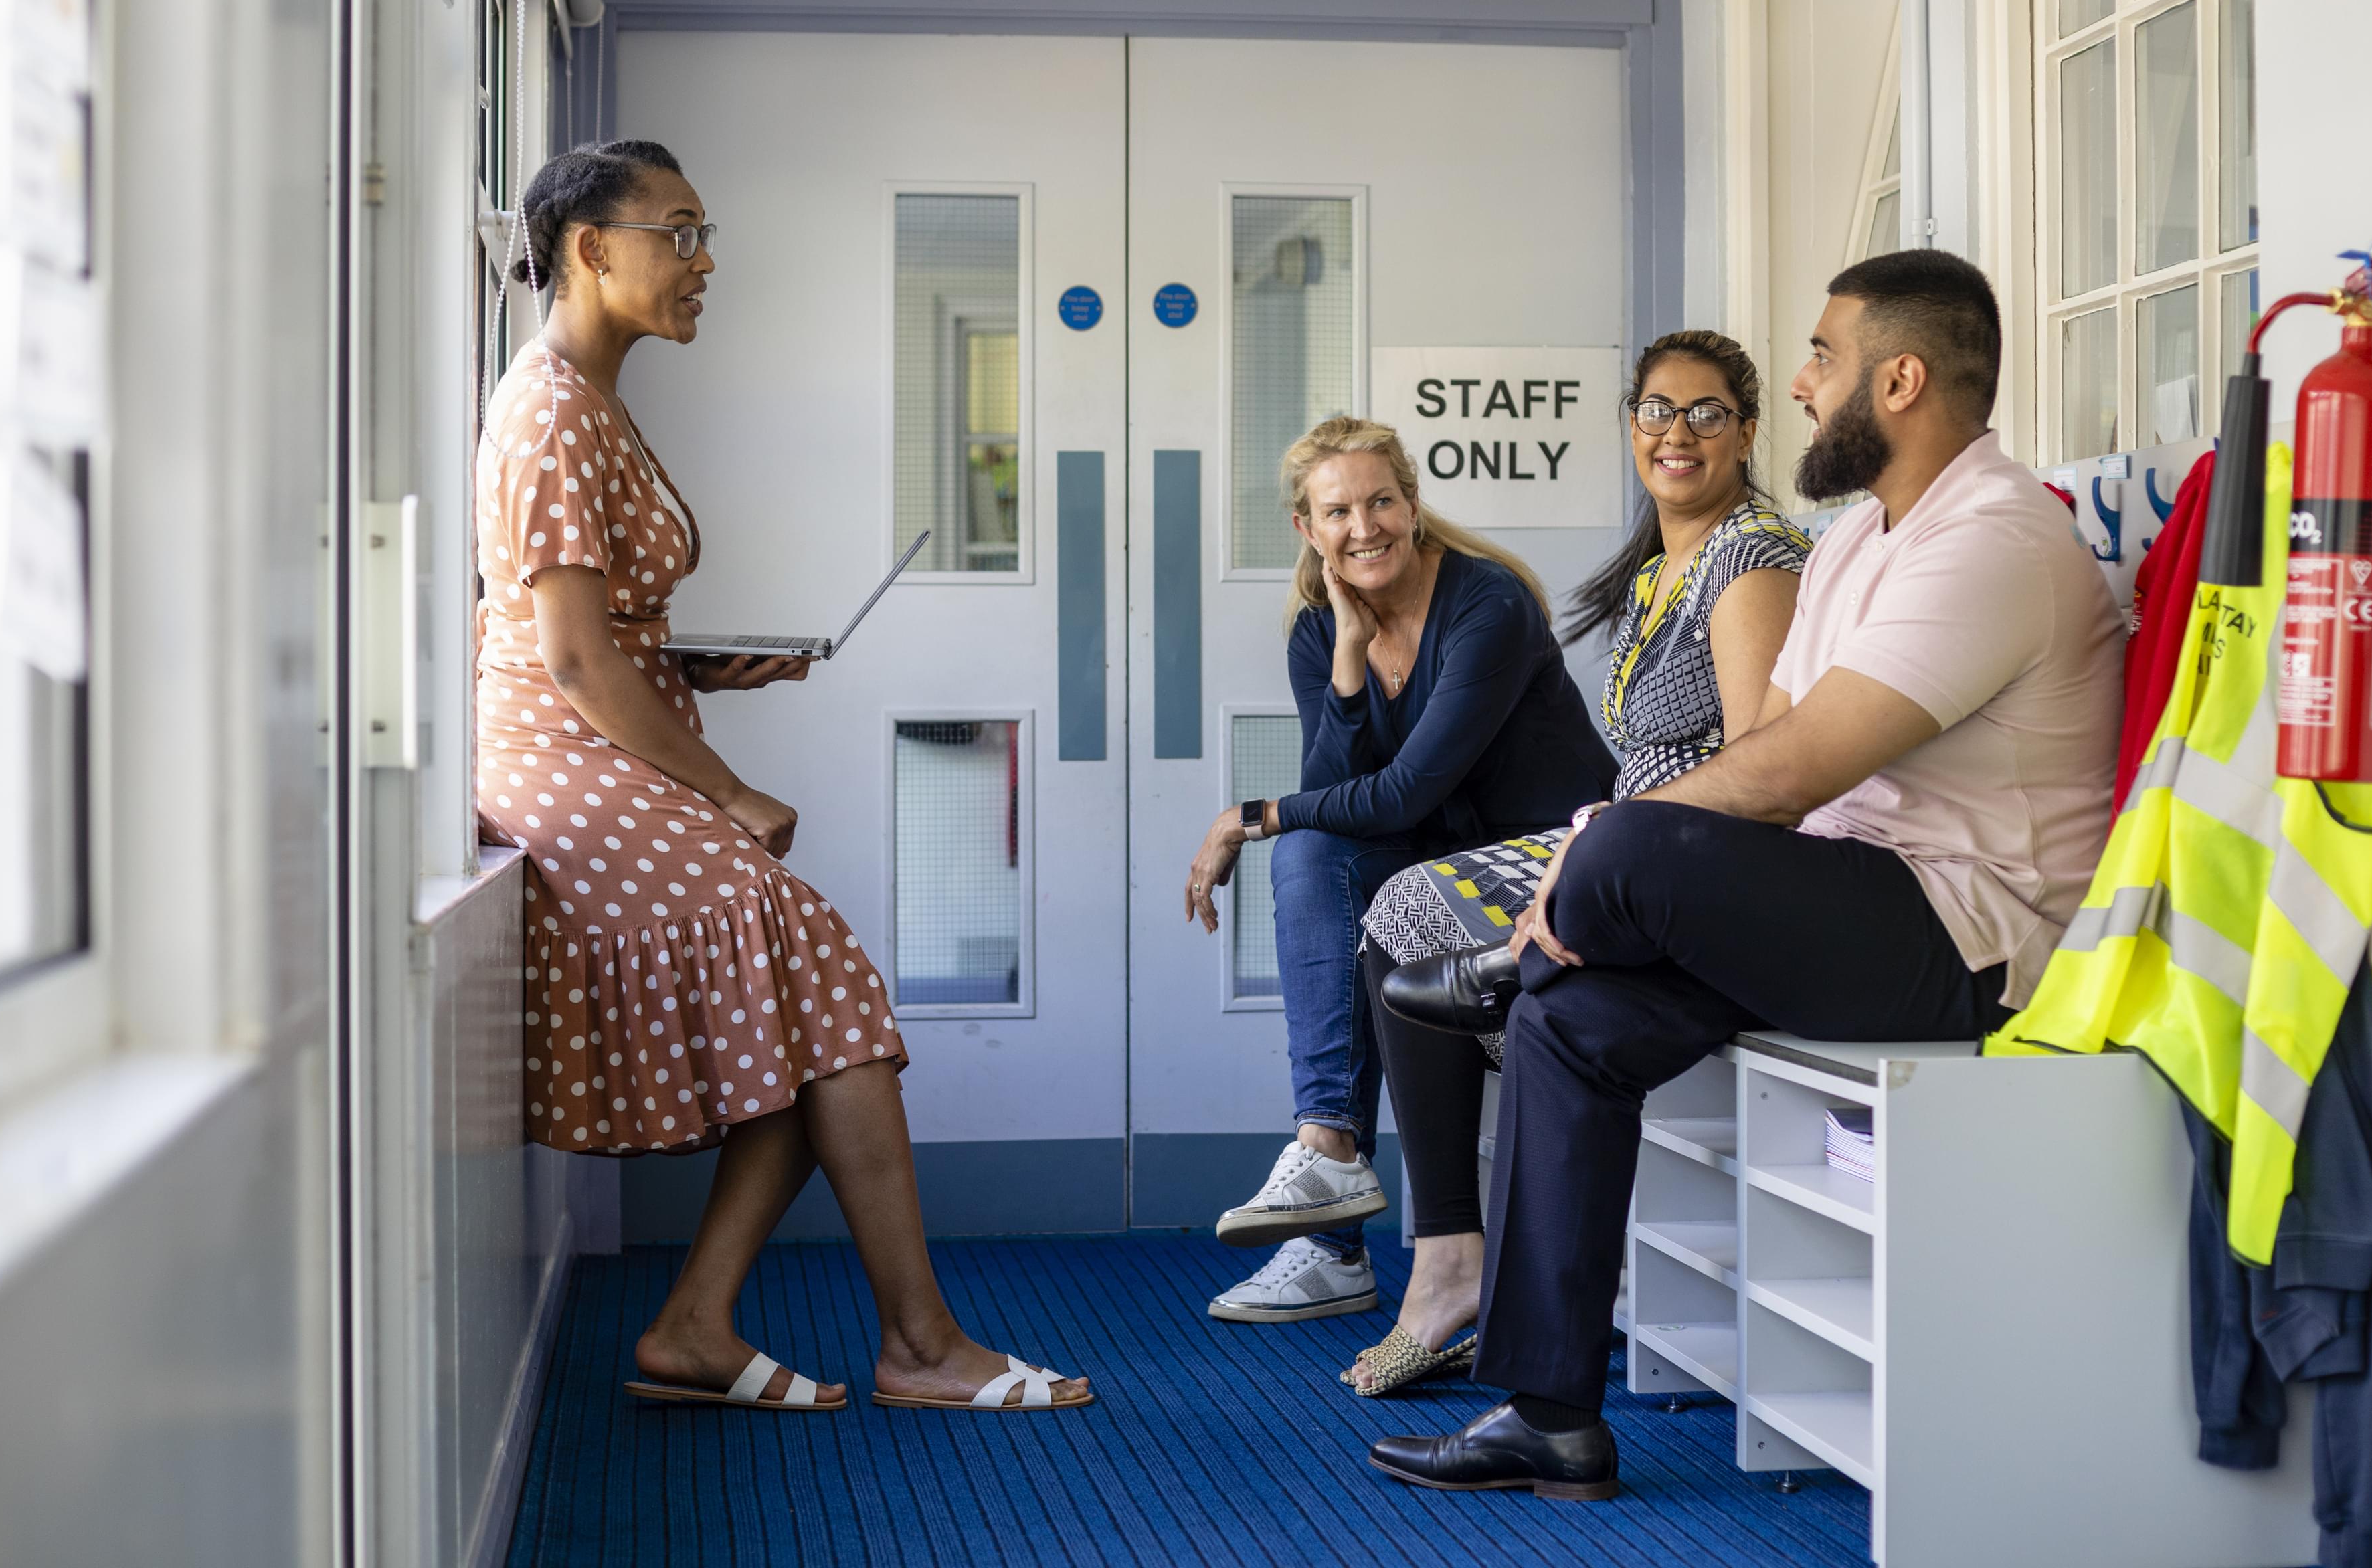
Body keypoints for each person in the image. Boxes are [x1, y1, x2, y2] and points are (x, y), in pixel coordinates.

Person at [1369, 250, 2122, 1497]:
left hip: (1964, 936)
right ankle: (1549, 1412)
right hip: (1840, 899)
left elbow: (1789, 775)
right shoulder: (1852, 541)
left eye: (1824, 359)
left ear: (1901, 378)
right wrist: (1611, 853)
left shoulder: (1991, 537)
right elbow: (1766, 746)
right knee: (1573, 1018)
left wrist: (1606, 853)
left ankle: (1508, 962)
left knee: (1624, 839)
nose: (1808, 383)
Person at [477, 139, 1089, 1413]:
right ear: (591, 248)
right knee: (828, 988)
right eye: (679, 232)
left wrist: (696, 664)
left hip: (599, 735)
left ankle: (703, 1324)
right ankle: (913, 1345)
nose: (705, 263)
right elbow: (576, 661)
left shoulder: (588, 398)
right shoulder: (545, 409)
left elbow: (603, 633)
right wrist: (725, 789)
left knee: (814, 1005)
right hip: (562, 755)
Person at [1341, 330, 1809, 1396]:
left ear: (1746, 429)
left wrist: (1606, 847)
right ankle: (1456, 1257)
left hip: (1687, 859)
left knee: (1414, 915)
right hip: (1627, 835)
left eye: (1705, 413)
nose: (1675, 434)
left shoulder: (1752, 559)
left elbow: (1756, 765)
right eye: (1655, 410)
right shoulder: (1662, 560)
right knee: (1398, 912)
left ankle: (1456, 1262)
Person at [1181, 416, 1615, 1325]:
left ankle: (1331, 1227)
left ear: (1413, 508)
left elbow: (1406, 795)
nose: (1364, 526)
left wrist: (1247, 818)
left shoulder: (1487, 604)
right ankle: (1330, 1161)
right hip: (1444, 867)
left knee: (1328, 860)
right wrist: (1346, 662)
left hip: (1553, 861)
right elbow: (1337, 809)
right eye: (1338, 510)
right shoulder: (1319, 633)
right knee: (1315, 863)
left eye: (1382, 501)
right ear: (1309, 529)